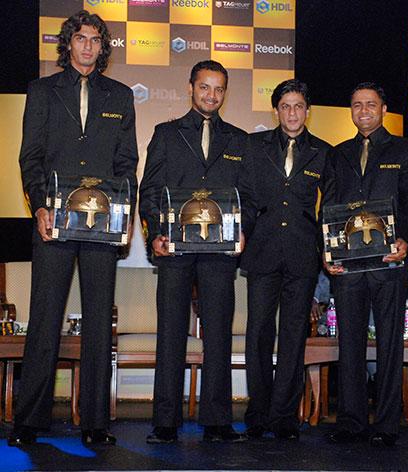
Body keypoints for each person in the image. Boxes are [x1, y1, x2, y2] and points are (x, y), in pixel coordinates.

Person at [12, 10, 138, 446]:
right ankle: (30, 420)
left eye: (95, 40)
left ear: (104, 48)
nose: (87, 46)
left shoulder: (121, 96)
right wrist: (38, 208)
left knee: (100, 322)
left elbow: (126, 165)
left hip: (103, 226)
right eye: (80, 38)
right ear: (67, 44)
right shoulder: (42, 91)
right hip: (54, 224)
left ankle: (96, 423)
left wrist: (123, 220)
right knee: (45, 319)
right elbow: (30, 157)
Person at [139, 60, 247, 444]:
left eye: (218, 89)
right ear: (190, 88)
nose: (211, 96)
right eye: (205, 87)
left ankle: (217, 420)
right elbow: (149, 192)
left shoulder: (239, 139)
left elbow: (246, 198)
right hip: (175, 251)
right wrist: (155, 234)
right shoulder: (166, 134)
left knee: (218, 333)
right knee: (171, 332)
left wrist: (242, 231)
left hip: (220, 254)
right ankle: (165, 421)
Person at [324, 82, 408, 447]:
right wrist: (329, 250)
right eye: (357, 105)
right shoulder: (338, 153)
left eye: (371, 104)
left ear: (383, 108)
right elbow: (329, 207)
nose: (363, 111)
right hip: (348, 263)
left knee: (389, 345)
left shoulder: (404, 149)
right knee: (348, 343)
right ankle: (350, 421)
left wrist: (406, 240)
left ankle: (386, 424)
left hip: (389, 260)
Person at [240, 79, 332, 439]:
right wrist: (241, 233)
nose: (292, 113)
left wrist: (329, 248)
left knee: (294, 337)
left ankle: (284, 417)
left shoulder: (324, 152)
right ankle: (258, 413)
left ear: (308, 111)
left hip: (303, 256)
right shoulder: (253, 146)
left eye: (298, 106)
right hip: (261, 252)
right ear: (275, 110)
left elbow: (332, 209)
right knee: (258, 334)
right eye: (285, 106)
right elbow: (245, 196)